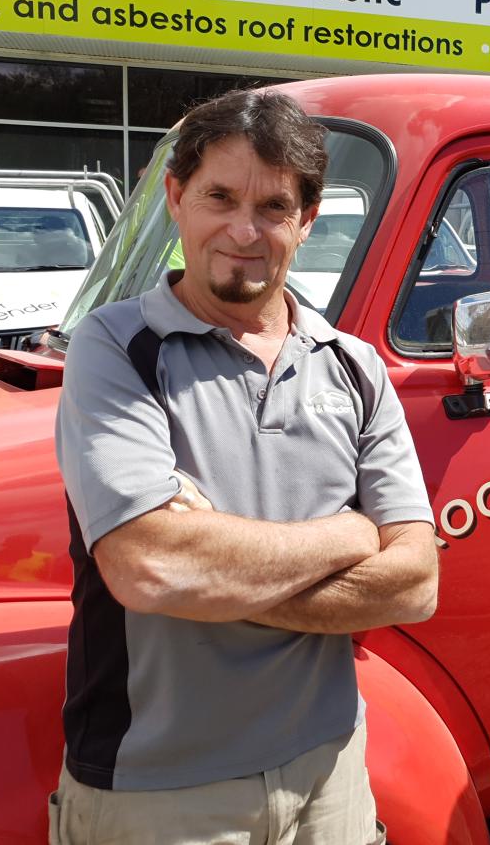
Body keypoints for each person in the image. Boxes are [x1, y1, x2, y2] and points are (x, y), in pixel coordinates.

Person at [53, 89, 438, 845]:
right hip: (161, 794)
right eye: (219, 197)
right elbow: (151, 569)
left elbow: (417, 582)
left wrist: (215, 569)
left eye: (272, 205)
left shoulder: (354, 366)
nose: (243, 229)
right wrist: (349, 534)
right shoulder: (115, 349)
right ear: (175, 197)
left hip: (332, 772)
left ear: (307, 220)